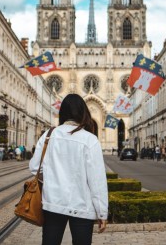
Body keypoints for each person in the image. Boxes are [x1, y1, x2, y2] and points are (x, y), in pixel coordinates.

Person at [29, 94, 108, 244]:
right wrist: (102, 212)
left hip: (53, 204)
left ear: (62, 113)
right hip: (82, 206)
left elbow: (34, 168)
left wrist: (54, 176)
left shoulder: (48, 135)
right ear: (83, 112)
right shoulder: (90, 139)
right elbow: (97, 181)